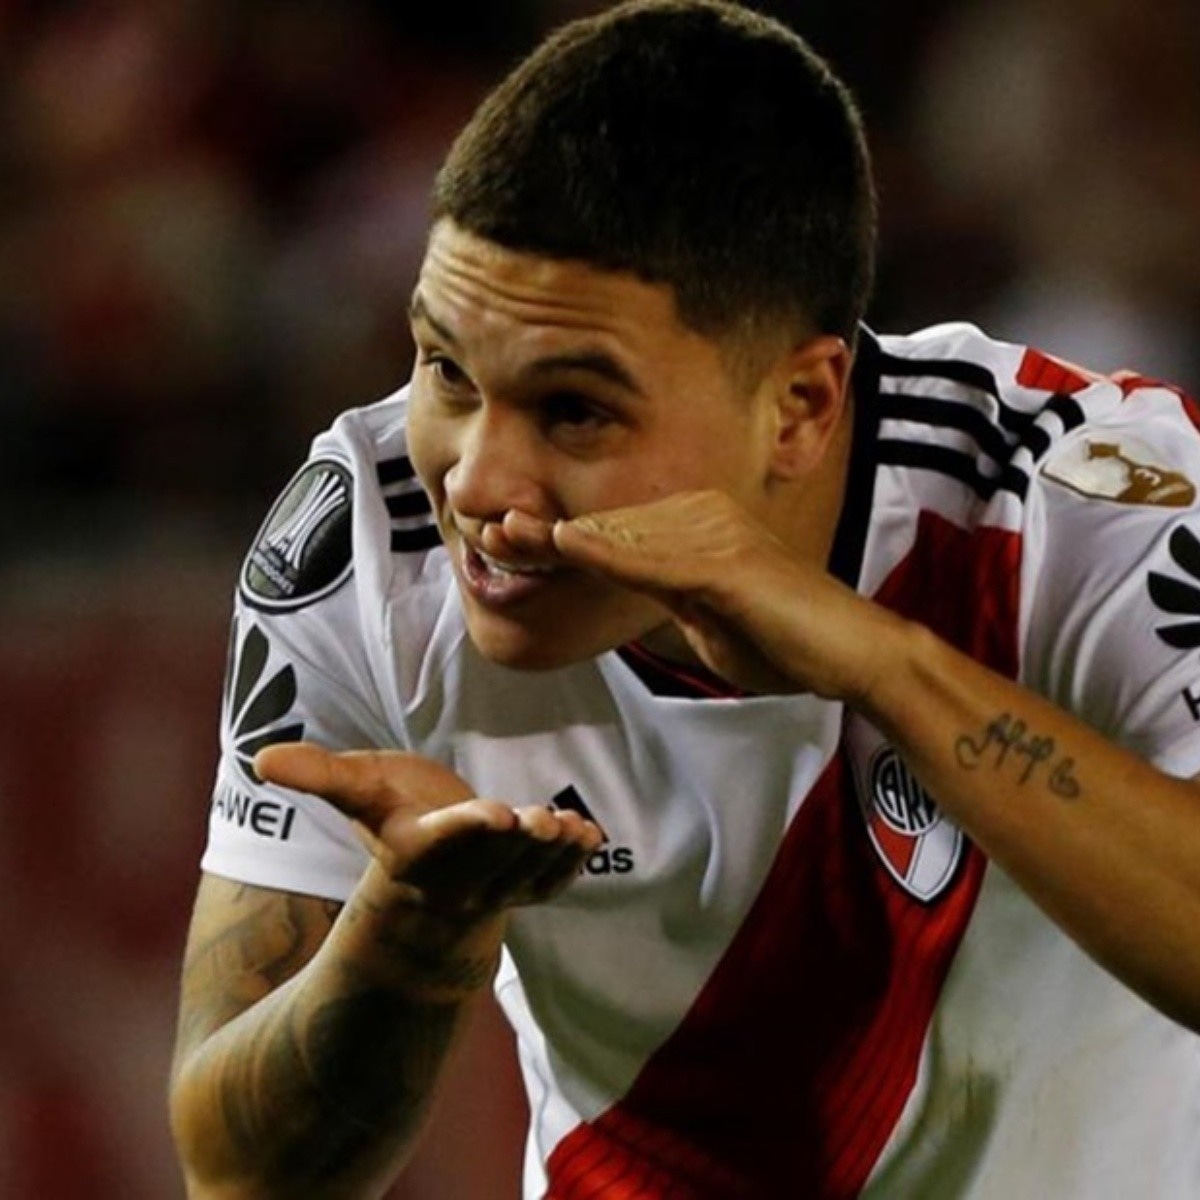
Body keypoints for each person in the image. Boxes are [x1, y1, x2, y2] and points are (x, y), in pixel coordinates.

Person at [168, 2, 1200, 1196]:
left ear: (800, 408)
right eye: (447, 370)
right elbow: (241, 1178)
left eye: (574, 410)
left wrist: (883, 665)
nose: (478, 482)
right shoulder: (366, 546)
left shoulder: (1083, 503)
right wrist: (406, 934)